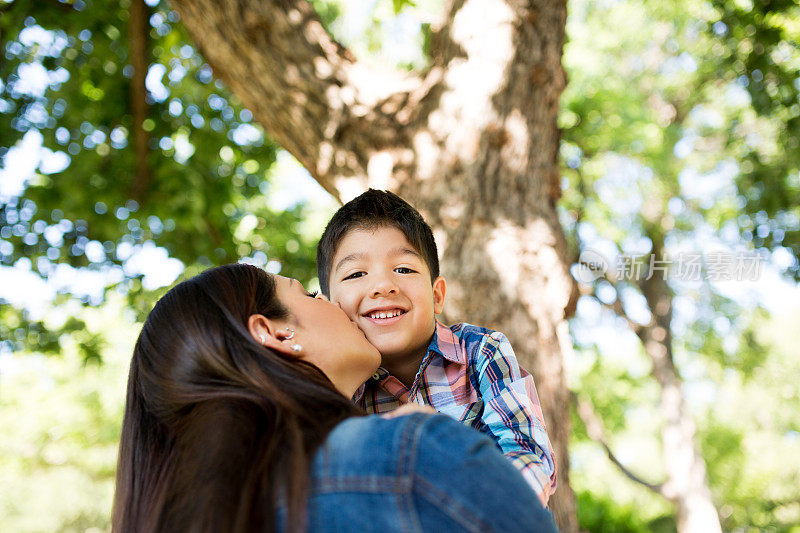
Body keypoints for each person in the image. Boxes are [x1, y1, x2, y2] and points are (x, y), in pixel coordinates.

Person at [112, 263, 558, 532]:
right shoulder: (406, 453)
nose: (331, 302)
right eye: (306, 293)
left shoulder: (203, 517)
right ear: (277, 333)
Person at [317, 189, 557, 505]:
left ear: (437, 296)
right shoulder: (332, 387)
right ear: (330, 308)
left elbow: (530, 458)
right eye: (356, 273)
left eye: (403, 268)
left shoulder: (482, 352)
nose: (382, 286)